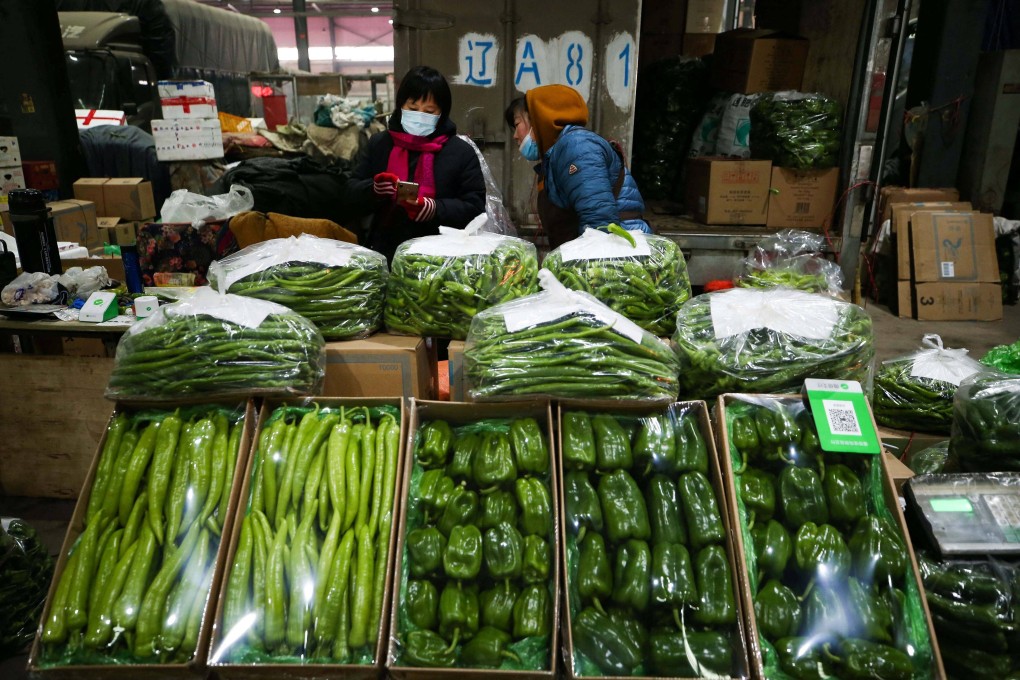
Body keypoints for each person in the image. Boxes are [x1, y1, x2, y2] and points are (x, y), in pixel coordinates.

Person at [347, 65, 486, 260]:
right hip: (385, 251)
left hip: (441, 257)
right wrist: (374, 190)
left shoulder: (460, 152)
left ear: (442, 113)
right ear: (400, 105)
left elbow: (475, 207)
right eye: (412, 109)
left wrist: (434, 208)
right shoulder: (380, 144)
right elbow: (350, 193)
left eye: (429, 111)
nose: (420, 116)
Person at [505, 84, 651, 249]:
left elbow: (599, 223)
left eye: (517, 124)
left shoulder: (577, 146)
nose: (515, 136)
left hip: (620, 251)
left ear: (538, 118)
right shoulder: (560, 152)